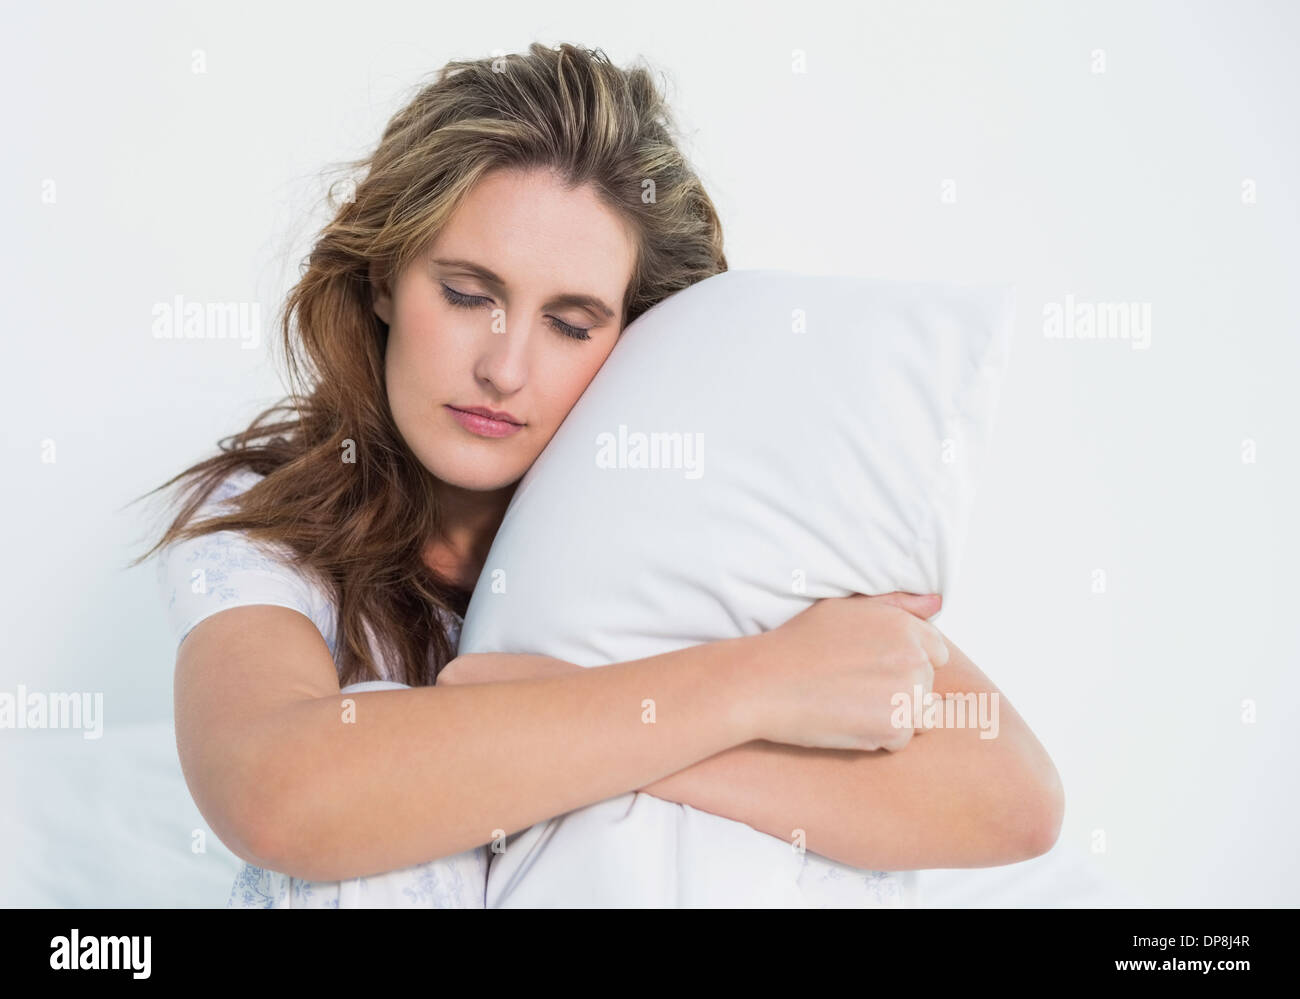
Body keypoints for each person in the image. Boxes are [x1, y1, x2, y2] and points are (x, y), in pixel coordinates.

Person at [133, 41, 1063, 908]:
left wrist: (615, 727)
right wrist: (751, 689)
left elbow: (1013, 800)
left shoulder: (711, 514)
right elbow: (279, 794)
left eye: (572, 323)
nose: (505, 368)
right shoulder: (272, 527)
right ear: (382, 280)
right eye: (467, 295)